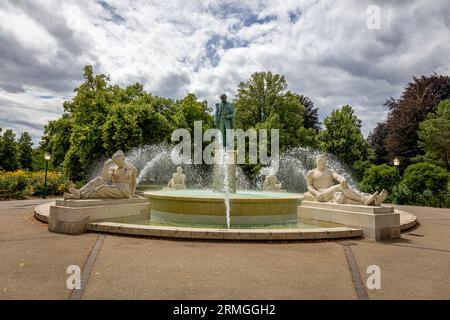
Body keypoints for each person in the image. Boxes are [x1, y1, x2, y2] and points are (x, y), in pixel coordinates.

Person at [303, 154, 387, 206]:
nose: (322, 162)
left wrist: (342, 179)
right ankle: (365, 198)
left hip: (331, 193)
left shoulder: (330, 171)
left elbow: (337, 176)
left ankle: (372, 201)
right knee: (341, 187)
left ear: (325, 162)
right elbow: (309, 186)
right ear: (316, 162)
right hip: (321, 195)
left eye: (323, 161)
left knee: (346, 192)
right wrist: (316, 193)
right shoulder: (311, 173)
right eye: (320, 160)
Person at [64, 150, 137, 199]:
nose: (116, 163)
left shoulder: (132, 168)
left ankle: (81, 196)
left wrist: (132, 195)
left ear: (123, 158)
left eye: (118, 161)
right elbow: (105, 179)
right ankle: (79, 192)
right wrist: (106, 166)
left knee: (102, 188)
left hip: (123, 191)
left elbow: (134, 183)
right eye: (115, 162)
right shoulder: (114, 169)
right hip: (115, 188)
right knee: (98, 179)